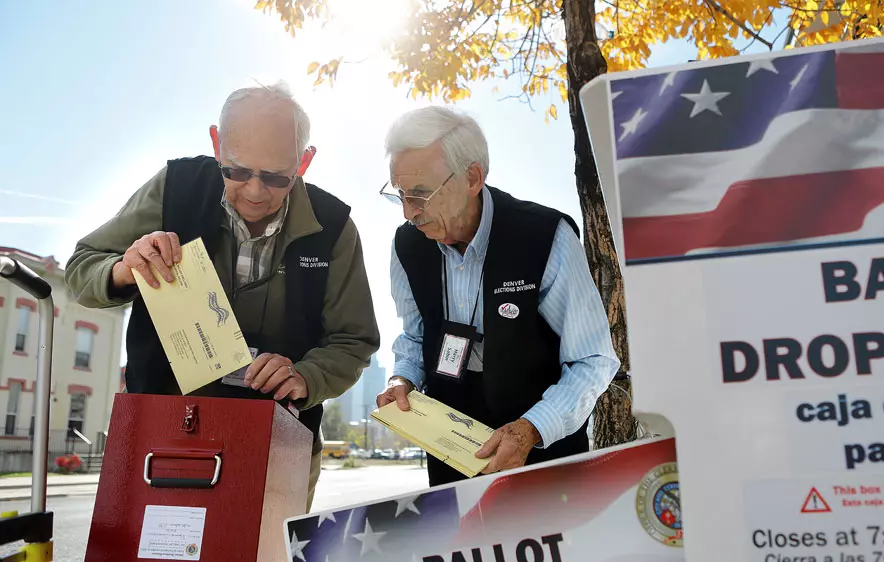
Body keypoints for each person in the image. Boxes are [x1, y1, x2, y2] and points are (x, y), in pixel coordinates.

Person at [65, 82, 380, 511]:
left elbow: (354, 339)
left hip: (278, 441)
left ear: (304, 162)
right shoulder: (174, 187)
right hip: (165, 433)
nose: (254, 191)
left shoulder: (335, 227)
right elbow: (82, 266)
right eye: (237, 171)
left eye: (275, 177)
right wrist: (125, 269)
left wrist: (305, 376)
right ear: (216, 143)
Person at [375, 106, 620, 487]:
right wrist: (401, 379)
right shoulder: (408, 244)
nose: (409, 213)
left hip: (542, 456)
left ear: (472, 177)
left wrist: (532, 429)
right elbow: (415, 335)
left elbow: (593, 358)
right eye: (400, 194)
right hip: (450, 456)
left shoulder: (543, 237)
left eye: (421, 195)